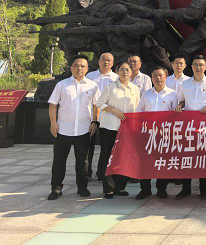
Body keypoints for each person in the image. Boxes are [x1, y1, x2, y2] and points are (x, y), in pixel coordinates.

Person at [47, 55, 100, 200]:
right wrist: (53, 123)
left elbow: (96, 105)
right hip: (63, 129)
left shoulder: (92, 86)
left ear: (87, 69)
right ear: (71, 68)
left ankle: (82, 187)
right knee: (59, 160)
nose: (79, 68)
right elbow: (53, 104)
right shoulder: (62, 85)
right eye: (76, 65)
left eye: (82, 66)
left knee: (83, 161)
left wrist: (94, 122)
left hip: (83, 129)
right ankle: (56, 188)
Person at [176, 55, 206, 199]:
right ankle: (186, 188)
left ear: (205, 67)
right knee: (186, 157)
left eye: (201, 65)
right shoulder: (185, 83)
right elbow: (182, 101)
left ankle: (203, 188)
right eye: (195, 64)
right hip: (188, 125)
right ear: (191, 67)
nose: (198, 67)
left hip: (205, 125)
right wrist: (179, 106)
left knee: (203, 157)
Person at [95, 61, 141, 198]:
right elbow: (99, 103)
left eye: (127, 70)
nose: (125, 72)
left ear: (131, 72)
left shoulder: (135, 88)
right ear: (117, 71)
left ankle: (120, 187)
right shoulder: (110, 87)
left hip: (127, 129)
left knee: (124, 157)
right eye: (122, 69)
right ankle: (108, 188)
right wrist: (113, 110)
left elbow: (137, 108)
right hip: (110, 127)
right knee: (107, 156)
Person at [136, 67, 179, 199]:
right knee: (145, 161)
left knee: (163, 161)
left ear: (166, 77)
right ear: (152, 78)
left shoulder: (173, 94)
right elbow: (139, 112)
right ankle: (145, 189)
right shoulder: (146, 94)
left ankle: (161, 188)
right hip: (148, 133)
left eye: (160, 75)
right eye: (155, 75)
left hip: (164, 133)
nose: (158, 78)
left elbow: (175, 115)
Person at [85, 52, 117, 181]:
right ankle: (86, 172)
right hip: (91, 116)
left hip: (108, 117)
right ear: (99, 62)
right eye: (103, 60)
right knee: (88, 146)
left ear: (112, 63)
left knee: (106, 147)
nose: (106, 62)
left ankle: (102, 173)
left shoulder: (116, 78)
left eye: (109, 60)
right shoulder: (90, 76)